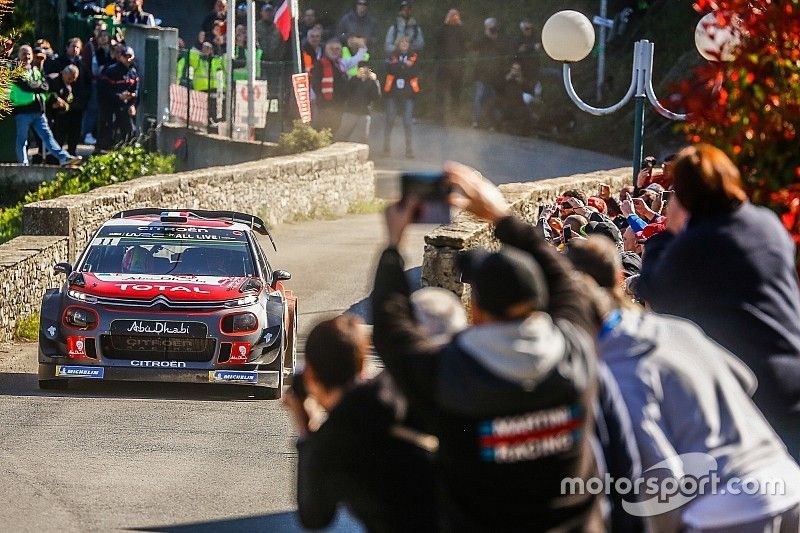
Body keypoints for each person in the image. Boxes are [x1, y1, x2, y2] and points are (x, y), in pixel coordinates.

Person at [371, 162, 604, 530]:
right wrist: (501, 215)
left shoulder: (450, 375)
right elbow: (566, 282)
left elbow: (390, 328)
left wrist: (392, 243)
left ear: (476, 311)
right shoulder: (576, 350)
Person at [570, 236, 800, 533]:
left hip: (722, 513)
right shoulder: (676, 328)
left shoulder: (613, 372)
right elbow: (744, 379)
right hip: (786, 481)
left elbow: (662, 479)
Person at [638, 144, 800, 458]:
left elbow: (653, 288)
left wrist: (670, 231)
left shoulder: (698, 244)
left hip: (757, 402)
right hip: (792, 378)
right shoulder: (766, 223)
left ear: (684, 197)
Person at [285, 314, 437, 532]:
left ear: (310, 376)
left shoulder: (331, 443)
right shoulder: (396, 388)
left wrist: (306, 430)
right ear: (363, 365)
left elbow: (314, 517)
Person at [11, 45, 80, 167]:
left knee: (48, 137)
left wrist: (37, 86)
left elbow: (45, 85)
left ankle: (64, 158)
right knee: (22, 140)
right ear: (19, 56)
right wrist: (38, 86)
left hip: (38, 110)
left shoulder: (35, 70)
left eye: (29, 54)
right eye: (24, 54)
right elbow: (27, 86)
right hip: (22, 110)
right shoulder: (15, 71)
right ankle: (23, 163)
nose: (27, 57)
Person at [46, 38, 88, 156]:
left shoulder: (82, 64)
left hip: (77, 104)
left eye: (77, 47)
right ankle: (57, 155)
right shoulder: (58, 62)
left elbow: (86, 83)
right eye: (73, 46)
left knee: (75, 131)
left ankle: (72, 153)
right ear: (67, 47)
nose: (75, 49)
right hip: (60, 105)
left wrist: (82, 101)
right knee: (59, 131)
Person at [96, 45, 140, 151]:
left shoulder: (133, 73)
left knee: (129, 131)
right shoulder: (111, 71)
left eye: (130, 56)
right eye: (125, 56)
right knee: (107, 132)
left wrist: (133, 104)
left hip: (126, 107)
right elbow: (103, 90)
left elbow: (136, 91)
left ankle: (126, 154)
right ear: (120, 57)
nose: (128, 59)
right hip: (110, 108)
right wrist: (118, 96)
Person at [470, 17, 511, 129]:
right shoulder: (482, 36)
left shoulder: (500, 37)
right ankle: (476, 121)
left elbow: (505, 49)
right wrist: (486, 36)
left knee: (492, 100)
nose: (492, 29)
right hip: (481, 74)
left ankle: (490, 123)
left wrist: (495, 38)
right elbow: (474, 46)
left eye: (493, 26)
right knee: (479, 98)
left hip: (495, 75)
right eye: (489, 27)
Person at [383, 36, 419, 159]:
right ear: (398, 44)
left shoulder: (414, 56)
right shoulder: (391, 55)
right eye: (402, 42)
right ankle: (386, 147)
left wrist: (400, 66)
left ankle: (409, 149)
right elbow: (390, 69)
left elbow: (414, 72)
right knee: (390, 119)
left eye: (406, 42)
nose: (404, 44)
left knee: (407, 122)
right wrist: (404, 65)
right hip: (393, 93)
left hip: (408, 94)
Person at [434, 8, 466, 126]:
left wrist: (460, 24)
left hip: (457, 67)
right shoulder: (443, 28)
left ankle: (455, 119)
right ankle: (439, 119)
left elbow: (466, 43)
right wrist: (446, 22)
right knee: (440, 93)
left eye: (455, 16)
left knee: (456, 94)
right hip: (443, 66)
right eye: (452, 16)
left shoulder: (461, 29)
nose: (454, 18)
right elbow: (436, 38)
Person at [81, 26, 113, 145]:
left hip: (107, 82)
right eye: (102, 36)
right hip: (95, 82)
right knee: (92, 108)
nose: (104, 39)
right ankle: (87, 133)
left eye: (106, 36)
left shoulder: (110, 49)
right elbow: (87, 65)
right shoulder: (91, 47)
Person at [335, 62, 380, 143]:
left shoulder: (372, 81)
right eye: (362, 69)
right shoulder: (353, 79)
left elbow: (376, 97)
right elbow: (345, 93)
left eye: (367, 69)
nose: (365, 71)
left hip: (364, 112)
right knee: (343, 134)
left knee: (363, 137)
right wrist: (356, 78)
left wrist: (375, 82)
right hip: (351, 110)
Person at [310, 39, 347, 132]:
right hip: (324, 105)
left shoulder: (341, 65)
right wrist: (321, 99)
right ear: (326, 50)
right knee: (321, 130)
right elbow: (315, 84)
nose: (334, 51)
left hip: (338, 105)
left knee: (334, 130)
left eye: (337, 49)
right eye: (331, 48)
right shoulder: (320, 64)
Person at [495, 60, 534, 135]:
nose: (515, 71)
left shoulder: (521, 80)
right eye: (514, 69)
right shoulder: (506, 79)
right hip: (505, 105)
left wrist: (521, 81)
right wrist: (507, 78)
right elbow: (497, 87)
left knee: (527, 114)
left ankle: (523, 133)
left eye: (517, 70)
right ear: (511, 69)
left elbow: (529, 90)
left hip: (518, 106)